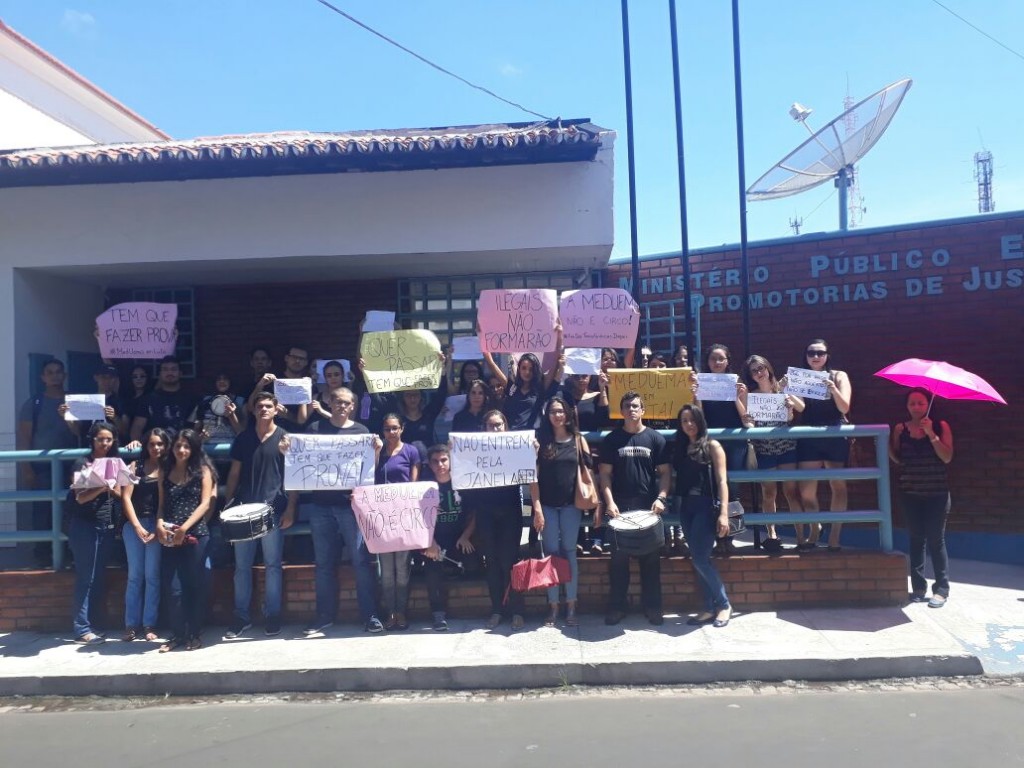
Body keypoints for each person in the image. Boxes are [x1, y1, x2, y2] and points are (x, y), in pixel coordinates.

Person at [301, 386, 384, 635]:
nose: (342, 406)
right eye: (338, 401)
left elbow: (369, 470)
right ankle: (323, 616)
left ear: (353, 406)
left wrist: (377, 451)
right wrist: (288, 451)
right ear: (329, 402)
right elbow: (302, 461)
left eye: (347, 403)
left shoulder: (362, 432)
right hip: (320, 506)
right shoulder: (315, 429)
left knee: (361, 562)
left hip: (351, 507)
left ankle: (370, 616)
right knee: (323, 564)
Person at [223, 391, 298, 638]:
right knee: (242, 567)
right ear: (253, 410)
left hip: (273, 510)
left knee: (273, 565)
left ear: (276, 410)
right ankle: (241, 617)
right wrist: (227, 505)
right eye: (259, 406)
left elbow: (294, 477)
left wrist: (290, 508)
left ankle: (273, 615)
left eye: (268, 406)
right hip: (243, 510)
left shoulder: (285, 438)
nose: (264, 409)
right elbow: (234, 474)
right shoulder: (244, 438)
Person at [599, 391, 671, 626]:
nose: (631, 409)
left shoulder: (655, 439)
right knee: (618, 563)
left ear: (643, 410)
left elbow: (665, 473)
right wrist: (609, 502)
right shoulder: (611, 440)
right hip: (620, 508)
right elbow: (605, 475)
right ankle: (617, 607)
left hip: (648, 508)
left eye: (635, 406)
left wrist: (661, 498)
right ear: (621, 411)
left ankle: (653, 607)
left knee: (651, 562)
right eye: (627, 406)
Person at [889, 388, 954, 608]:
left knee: (936, 539)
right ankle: (918, 587)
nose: (916, 407)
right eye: (912, 403)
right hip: (910, 493)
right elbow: (897, 458)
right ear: (907, 406)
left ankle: (941, 589)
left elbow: (947, 457)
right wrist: (890, 440)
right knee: (916, 539)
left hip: (937, 494)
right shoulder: (901, 428)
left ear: (928, 405)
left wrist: (931, 434)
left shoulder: (940, 426)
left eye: (921, 403)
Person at [461, 410, 526, 630]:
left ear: (506, 426)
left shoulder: (516, 448)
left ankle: (517, 611)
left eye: (499, 424)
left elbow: (530, 473)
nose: (496, 428)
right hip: (485, 513)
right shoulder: (475, 450)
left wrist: (532, 452)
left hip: (510, 512)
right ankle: (497, 610)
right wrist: (456, 453)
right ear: (484, 428)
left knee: (510, 562)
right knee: (492, 563)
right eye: (491, 425)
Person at [531, 395, 590, 628]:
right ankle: (553, 605)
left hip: (571, 505)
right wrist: (536, 508)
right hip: (546, 505)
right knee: (551, 554)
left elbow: (589, 473)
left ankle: (571, 604)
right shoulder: (540, 442)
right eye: (553, 411)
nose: (557, 415)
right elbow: (532, 478)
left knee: (569, 552)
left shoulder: (578, 440)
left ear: (567, 414)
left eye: (560, 411)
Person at [673, 405, 733, 627]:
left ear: (700, 421)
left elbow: (722, 481)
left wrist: (724, 513)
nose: (689, 424)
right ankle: (708, 608)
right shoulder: (681, 447)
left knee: (700, 558)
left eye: (692, 419)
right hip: (685, 506)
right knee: (698, 558)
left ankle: (724, 605)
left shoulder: (712, 445)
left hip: (705, 506)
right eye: (684, 420)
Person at [156, 429, 216, 652]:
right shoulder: (165, 471)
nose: (181, 450)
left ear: (193, 449)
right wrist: (159, 524)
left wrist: (185, 528)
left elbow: (205, 504)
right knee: (174, 589)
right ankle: (177, 634)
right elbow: (161, 504)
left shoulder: (203, 470)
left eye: (186, 446)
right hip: (170, 536)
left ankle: (194, 634)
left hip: (195, 535)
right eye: (178, 446)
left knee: (194, 586)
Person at [66, 422, 124, 644]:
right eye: (101, 439)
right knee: (86, 577)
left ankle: (94, 624)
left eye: (109, 439)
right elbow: (80, 497)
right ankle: (82, 629)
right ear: (92, 440)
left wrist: (117, 486)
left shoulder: (115, 463)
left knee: (98, 576)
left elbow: (121, 493)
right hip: (84, 525)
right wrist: (102, 486)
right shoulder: (82, 463)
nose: (105, 444)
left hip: (105, 525)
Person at [16, 358, 77, 565]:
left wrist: (69, 416)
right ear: (43, 377)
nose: (54, 376)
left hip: (71, 466)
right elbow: (24, 438)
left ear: (65, 375)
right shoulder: (34, 403)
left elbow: (81, 432)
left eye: (58, 372)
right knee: (43, 510)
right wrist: (26, 468)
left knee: (70, 509)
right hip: (42, 467)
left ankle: (67, 552)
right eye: (50, 372)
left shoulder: (74, 401)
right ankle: (42, 553)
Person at [741, 355, 804, 552]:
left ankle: (801, 536)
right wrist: (747, 421)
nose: (759, 373)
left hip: (786, 447)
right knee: (769, 493)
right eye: (754, 371)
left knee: (791, 492)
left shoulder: (782, 388)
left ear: (768, 368)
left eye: (761, 368)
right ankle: (772, 535)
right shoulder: (751, 396)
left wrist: (789, 404)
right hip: (764, 449)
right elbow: (748, 423)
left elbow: (797, 410)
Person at [795, 339, 853, 552]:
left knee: (838, 486)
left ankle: (834, 537)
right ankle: (814, 529)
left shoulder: (839, 376)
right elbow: (800, 408)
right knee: (807, 491)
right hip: (809, 434)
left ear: (828, 355)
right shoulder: (801, 377)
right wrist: (787, 392)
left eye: (820, 353)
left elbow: (844, 407)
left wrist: (833, 389)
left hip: (834, 433)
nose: (816, 357)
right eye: (811, 353)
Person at [692, 344, 748, 554]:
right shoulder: (703, 383)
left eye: (721, 359)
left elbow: (747, 418)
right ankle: (716, 536)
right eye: (713, 359)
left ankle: (731, 537)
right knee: (711, 488)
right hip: (711, 442)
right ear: (707, 362)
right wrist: (697, 394)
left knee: (733, 489)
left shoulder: (737, 382)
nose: (716, 362)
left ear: (727, 361)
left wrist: (738, 396)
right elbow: (699, 416)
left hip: (734, 442)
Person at [119, 427, 169, 642]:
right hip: (134, 525)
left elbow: (163, 501)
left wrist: (158, 526)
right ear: (146, 445)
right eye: (152, 444)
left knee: (152, 576)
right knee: (135, 576)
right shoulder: (134, 466)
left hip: (156, 525)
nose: (156, 447)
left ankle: (149, 624)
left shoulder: (168, 468)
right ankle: (131, 625)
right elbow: (125, 497)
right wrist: (137, 526)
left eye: (160, 444)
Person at [422, 444, 475, 631]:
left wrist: (466, 536)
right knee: (432, 571)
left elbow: (475, 514)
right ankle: (438, 614)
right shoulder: (425, 488)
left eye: (444, 460)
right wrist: (430, 543)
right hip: (435, 541)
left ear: (451, 461)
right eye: (435, 461)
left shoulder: (463, 483)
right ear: (429, 464)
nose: (440, 465)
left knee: (474, 567)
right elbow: (418, 518)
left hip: (460, 539)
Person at [376, 413, 421, 631]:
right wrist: (376, 453)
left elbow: (414, 484)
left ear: (402, 428)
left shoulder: (411, 451)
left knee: (402, 569)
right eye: (387, 429)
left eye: (395, 428)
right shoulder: (377, 452)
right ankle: (390, 613)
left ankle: (401, 611)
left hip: (403, 518)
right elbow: (368, 478)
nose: (391, 432)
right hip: (382, 519)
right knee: (386, 572)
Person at [129, 356, 199, 442]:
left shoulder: (191, 399)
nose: (169, 373)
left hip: (182, 447)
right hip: (156, 447)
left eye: (173, 369)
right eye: (165, 369)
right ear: (160, 374)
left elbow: (196, 428)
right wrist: (137, 444)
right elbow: (137, 428)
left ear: (180, 373)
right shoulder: (148, 400)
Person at [191, 373, 246, 443]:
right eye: (218, 379)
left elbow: (242, 433)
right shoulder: (204, 402)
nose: (222, 381)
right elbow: (195, 430)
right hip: (208, 446)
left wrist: (232, 416)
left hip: (231, 445)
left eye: (225, 379)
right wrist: (200, 435)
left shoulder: (240, 402)